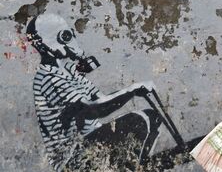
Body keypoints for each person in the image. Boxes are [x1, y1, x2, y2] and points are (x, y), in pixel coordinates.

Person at [26, 13, 163, 170]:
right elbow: (91, 110)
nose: (70, 39)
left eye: (69, 33)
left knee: (153, 117)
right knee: (136, 121)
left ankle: (137, 167)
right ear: (44, 45)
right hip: (71, 160)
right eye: (64, 36)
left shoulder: (70, 71)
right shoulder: (48, 78)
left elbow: (101, 100)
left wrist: (133, 91)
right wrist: (131, 91)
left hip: (88, 146)